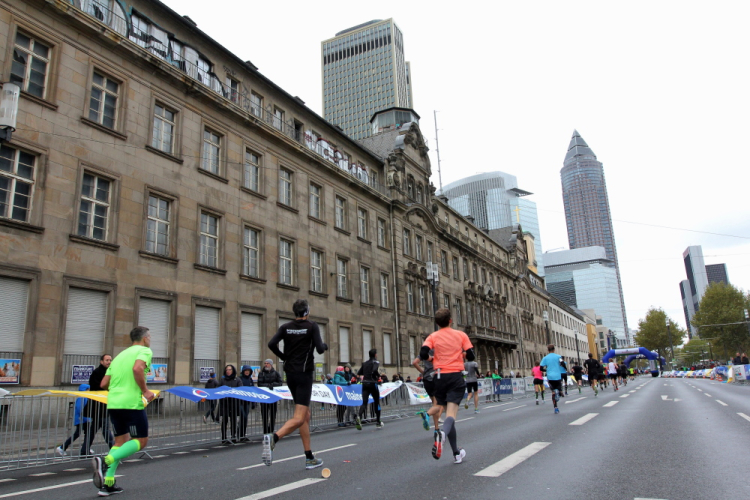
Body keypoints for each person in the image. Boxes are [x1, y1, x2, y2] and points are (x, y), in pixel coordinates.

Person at [91, 326, 155, 496]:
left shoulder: (119, 356)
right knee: (141, 441)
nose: (150, 340)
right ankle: (105, 461)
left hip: (113, 403)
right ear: (145, 338)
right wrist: (145, 391)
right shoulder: (144, 351)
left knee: (119, 442)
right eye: (150, 337)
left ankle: (108, 484)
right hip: (130, 402)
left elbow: (104, 383)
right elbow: (137, 368)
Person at [264, 299, 328, 469]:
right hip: (304, 374)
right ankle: (273, 438)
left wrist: (284, 357)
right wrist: (324, 345)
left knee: (305, 415)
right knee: (299, 417)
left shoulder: (286, 327)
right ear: (307, 311)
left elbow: (271, 344)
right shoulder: (312, 326)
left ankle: (309, 457)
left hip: (290, 374)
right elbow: (320, 349)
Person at [420, 307, 474, 464]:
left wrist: (432, 359)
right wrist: (460, 354)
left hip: (439, 377)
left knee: (448, 415)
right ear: (450, 320)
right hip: (455, 376)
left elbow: (423, 354)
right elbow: (471, 355)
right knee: (451, 415)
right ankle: (442, 434)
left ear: (437, 323)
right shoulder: (461, 335)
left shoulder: (433, 336)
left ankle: (456, 453)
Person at [83, 354, 115, 455]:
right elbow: (98, 387)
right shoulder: (97, 372)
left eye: (110, 360)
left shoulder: (110, 372)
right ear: (101, 361)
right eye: (107, 360)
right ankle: (114, 450)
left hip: (104, 405)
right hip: (98, 406)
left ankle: (84, 450)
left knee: (93, 429)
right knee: (105, 429)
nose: (109, 362)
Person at [56, 384, 91, 457]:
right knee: (78, 434)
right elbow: (80, 408)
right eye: (88, 389)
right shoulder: (82, 397)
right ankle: (62, 447)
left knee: (88, 434)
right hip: (82, 419)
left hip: (84, 419)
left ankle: (86, 448)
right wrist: (85, 416)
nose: (90, 390)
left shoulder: (85, 397)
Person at [356, 349, 384, 430]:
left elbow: (359, 373)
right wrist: (378, 376)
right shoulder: (376, 362)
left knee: (364, 403)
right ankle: (378, 421)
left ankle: (359, 416)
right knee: (377, 403)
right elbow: (374, 370)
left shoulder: (365, 363)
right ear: (375, 355)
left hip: (365, 383)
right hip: (372, 383)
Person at [413, 349, 441, 432]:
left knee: (434, 404)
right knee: (438, 405)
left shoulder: (424, 351)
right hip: (436, 378)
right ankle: (427, 414)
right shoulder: (438, 349)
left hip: (426, 380)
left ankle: (436, 428)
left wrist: (423, 372)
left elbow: (414, 362)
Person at [257, 359, 283, 434]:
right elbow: (260, 384)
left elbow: (280, 383)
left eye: (267, 363)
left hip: (273, 397)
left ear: (271, 364)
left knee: (272, 415)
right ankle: (265, 432)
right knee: (264, 415)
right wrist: (269, 386)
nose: (266, 364)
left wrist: (272, 385)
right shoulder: (261, 373)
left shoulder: (276, 373)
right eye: (265, 363)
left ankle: (271, 430)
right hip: (264, 397)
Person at [219, 364, 243, 444]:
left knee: (233, 421)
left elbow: (240, 389)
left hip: (234, 403)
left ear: (233, 371)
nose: (228, 371)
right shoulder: (223, 380)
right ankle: (224, 438)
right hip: (224, 403)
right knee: (224, 420)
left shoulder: (237, 380)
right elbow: (218, 389)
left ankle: (233, 436)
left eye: (230, 370)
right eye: (227, 370)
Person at [540, 344, 564, 414]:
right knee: (559, 389)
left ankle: (555, 408)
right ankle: (559, 392)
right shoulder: (558, 356)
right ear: (554, 349)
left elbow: (541, 368)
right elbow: (562, 363)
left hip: (550, 377)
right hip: (558, 376)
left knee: (553, 392)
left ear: (548, 350)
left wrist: (547, 370)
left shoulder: (545, 358)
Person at [238, 365, 255, 442]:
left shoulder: (250, 380)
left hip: (247, 402)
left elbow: (253, 391)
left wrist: (253, 402)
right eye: (246, 370)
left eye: (248, 371)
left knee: (245, 419)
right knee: (243, 417)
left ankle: (243, 435)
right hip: (240, 402)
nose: (247, 372)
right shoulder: (240, 379)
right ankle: (239, 434)